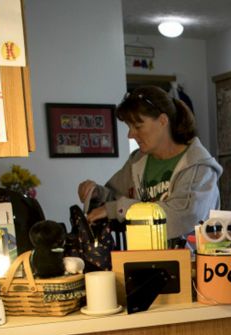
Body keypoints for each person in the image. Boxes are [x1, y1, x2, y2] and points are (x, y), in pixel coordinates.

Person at [78, 86, 221, 240]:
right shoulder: (137, 161)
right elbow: (114, 200)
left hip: (191, 261)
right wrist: (95, 194)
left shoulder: (199, 166)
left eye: (138, 127)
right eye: (129, 127)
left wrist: (116, 209)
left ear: (163, 121)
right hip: (144, 259)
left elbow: (181, 216)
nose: (130, 134)